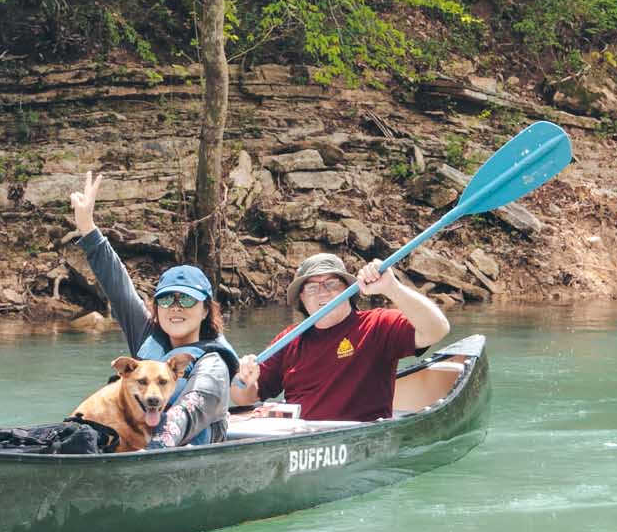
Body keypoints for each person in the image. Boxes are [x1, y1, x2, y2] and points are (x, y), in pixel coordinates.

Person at [69, 170, 239, 447]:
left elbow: (189, 410)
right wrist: (87, 228)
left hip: (177, 449)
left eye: (186, 300)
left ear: (206, 310)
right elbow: (118, 287)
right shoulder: (148, 334)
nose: (175, 308)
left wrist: (157, 446)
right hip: (133, 442)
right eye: (166, 300)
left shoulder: (213, 362)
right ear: (156, 307)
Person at [230, 252, 448, 423]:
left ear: (348, 290)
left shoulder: (377, 325)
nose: (323, 293)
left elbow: (437, 330)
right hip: (297, 437)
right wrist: (242, 380)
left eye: (332, 284)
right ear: (302, 299)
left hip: (356, 437)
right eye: (312, 287)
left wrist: (393, 288)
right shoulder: (288, 340)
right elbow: (245, 398)